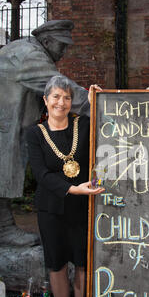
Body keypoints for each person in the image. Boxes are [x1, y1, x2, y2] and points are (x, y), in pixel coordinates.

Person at [26, 75, 103, 297]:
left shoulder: (84, 124)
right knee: (56, 264)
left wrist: (97, 103)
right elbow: (41, 175)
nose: (61, 102)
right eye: (56, 97)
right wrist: (72, 189)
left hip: (82, 207)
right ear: (45, 100)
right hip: (51, 208)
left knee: (82, 263)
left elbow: (110, 127)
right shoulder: (34, 133)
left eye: (67, 97)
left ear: (72, 101)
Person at [0, 20, 89, 247]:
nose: (65, 50)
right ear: (47, 41)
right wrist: (102, 104)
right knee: (3, 169)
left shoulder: (27, 49)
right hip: (4, 124)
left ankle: (4, 226)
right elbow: (59, 91)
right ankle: (3, 229)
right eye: (62, 45)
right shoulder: (31, 56)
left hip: (8, 121)